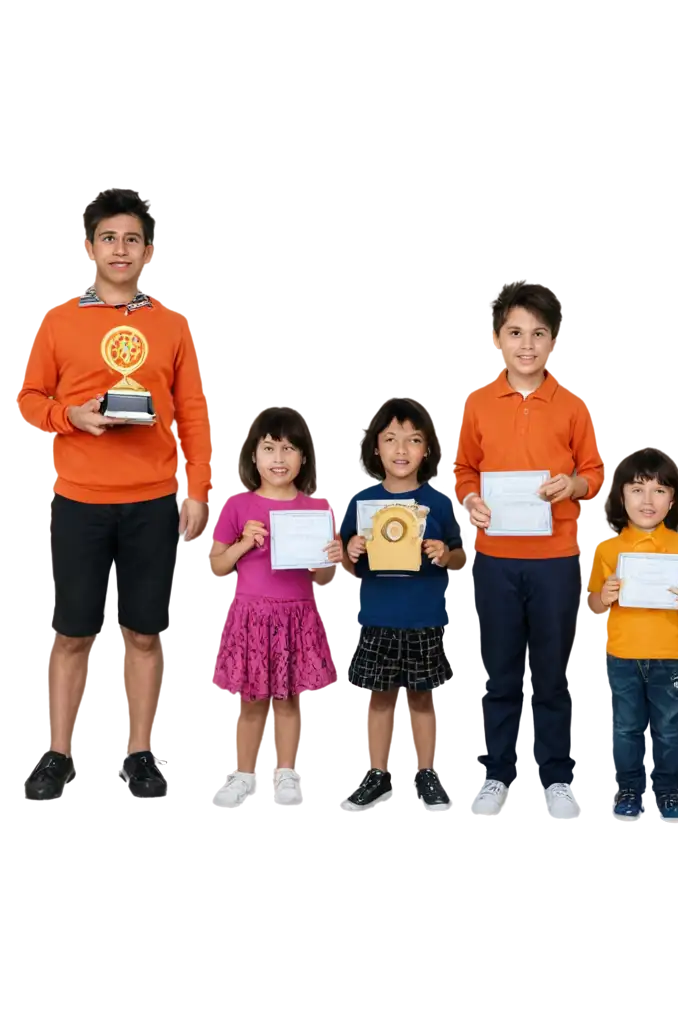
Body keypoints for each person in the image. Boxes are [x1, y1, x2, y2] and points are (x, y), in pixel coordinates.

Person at [18, 184, 211, 802]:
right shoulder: (56, 322)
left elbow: (193, 413)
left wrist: (197, 488)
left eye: (132, 239)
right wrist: (73, 417)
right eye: (108, 238)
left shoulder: (172, 326)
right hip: (77, 498)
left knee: (144, 632)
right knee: (72, 632)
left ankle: (140, 751)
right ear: (88, 248)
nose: (120, 250)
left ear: (149, 251)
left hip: (154, 497)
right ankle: (58, 752)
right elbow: (28, 399)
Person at [455, 276, 605, 824]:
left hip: (557, 556)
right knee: (498, 669)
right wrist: (470, 499)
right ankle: (495, 773)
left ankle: (558, 778)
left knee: (553, 670)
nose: (526, 344)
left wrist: (574, 487)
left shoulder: (572, 407)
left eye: (538, 334)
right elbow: (464, 469)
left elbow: (593, 472)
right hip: (495, 556)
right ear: (495, 339)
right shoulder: (476, 405)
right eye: (514, 332)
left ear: (553, 343)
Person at [339, 397, 465, 816]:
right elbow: (344, 565)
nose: (401, 449)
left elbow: (462, 558)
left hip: (425, 615)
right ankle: (378, 774)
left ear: (426, 449)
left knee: (423, 697)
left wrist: (446, 553)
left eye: (412, 440)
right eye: (390, 439)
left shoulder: (441, 503)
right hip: (377, 615)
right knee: (379, 697)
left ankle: (426, 772)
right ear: (376, 448)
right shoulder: (360, 503)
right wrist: (351, 549)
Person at [208, 407, 340, 807]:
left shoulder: (318, 510)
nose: (279, 459)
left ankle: (286, 774)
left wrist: (329, 560)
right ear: (254, 456)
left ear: (303, 458)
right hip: (251, 616)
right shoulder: (237, 506)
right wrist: (244, 543)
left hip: (295, 615)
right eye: (269, 448)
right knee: (250, 702)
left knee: (286, 699)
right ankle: (244, 776)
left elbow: (324, 576)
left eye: (288, 449)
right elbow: (217, 566)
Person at [587, 448, 678, 824]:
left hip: (670, 654)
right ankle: (629, 790)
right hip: (623, 655)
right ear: (621, 497)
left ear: (672, 501)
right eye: (638, 489)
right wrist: (603, 596)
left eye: (659, 490)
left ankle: (669, 791)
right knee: (627, 728)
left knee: (668, 729)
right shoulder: (608, 549)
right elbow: (595, 605)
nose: (648, 500)